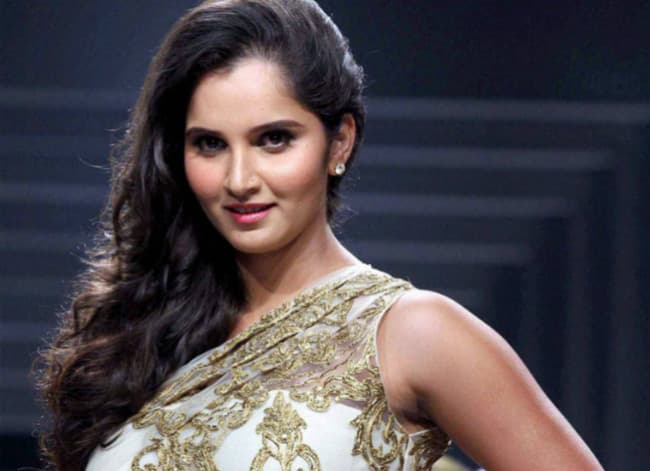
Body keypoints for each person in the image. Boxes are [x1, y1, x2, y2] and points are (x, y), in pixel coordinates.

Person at [36, 1, 604, 470]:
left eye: (274, 139)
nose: (239, 179)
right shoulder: (149, 335)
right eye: (210, 144)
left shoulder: (413, 333)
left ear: (340, 142)